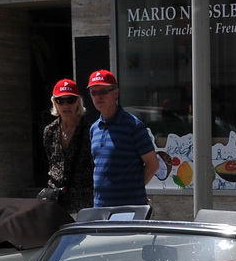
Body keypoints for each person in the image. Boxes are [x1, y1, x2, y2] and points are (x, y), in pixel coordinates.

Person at [86, 69, 159, 209]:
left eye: (103, 91)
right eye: (93, 92)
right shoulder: (94, 128)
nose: (98, 96)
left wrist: (135, 189)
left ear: (115, 93)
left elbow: (152, 164)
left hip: (129, 209)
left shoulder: (133, 125)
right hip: (100, 208)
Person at [41, 78, 94, 215]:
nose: (66, 105)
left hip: (84, 202)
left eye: (70, 100)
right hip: (56, 202)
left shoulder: (90, 130)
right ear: (54, 102)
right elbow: (51, 163)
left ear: (78, 102)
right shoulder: (50, 131)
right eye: (60, 100)